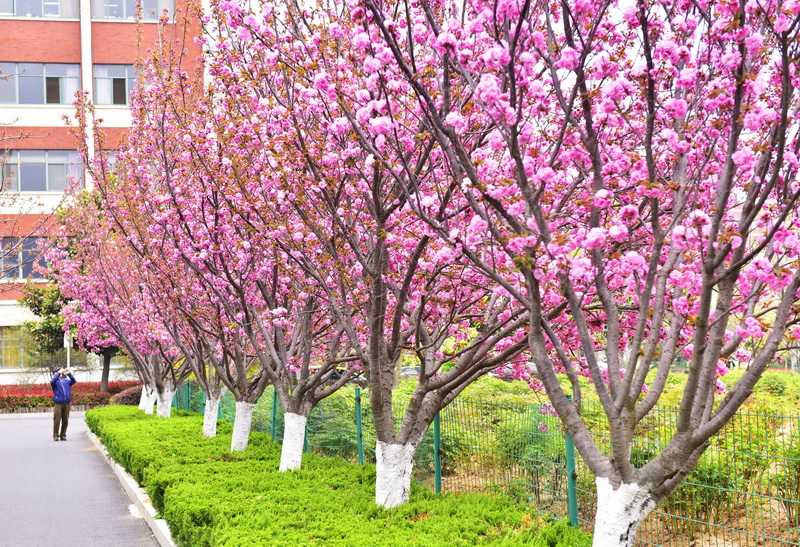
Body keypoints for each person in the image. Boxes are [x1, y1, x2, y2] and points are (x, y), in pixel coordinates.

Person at [50, 368, 76, 441]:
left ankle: (63, 435)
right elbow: (52, 381)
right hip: (58, 403)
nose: (60, 374)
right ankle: (55, 435)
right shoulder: (55, 382)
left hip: (66, 403)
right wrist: (59, 372)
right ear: (54, 374)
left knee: (65, 420)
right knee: (57, 420)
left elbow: (74, 381)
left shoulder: (66, 381)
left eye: (60, 373)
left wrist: (69, 374)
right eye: (57, 373)